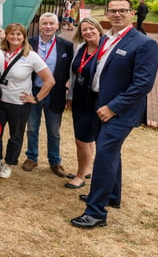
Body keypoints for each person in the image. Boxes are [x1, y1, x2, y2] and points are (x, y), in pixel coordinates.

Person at [71, 0, 158, 229]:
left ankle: (96, 212)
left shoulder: (143, 43)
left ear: (132, 13)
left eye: (122, 10)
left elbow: (142, 84)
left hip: (120, 112)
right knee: (110, 153)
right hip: (99, 106)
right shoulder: (106, 39)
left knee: (104, 157)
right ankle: (111, 196)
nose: (117, 14)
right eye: (112, 11)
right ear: (107, 15)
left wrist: (113, 107)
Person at [0, 23, 55, 179]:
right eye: (12, 34)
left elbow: (49, 80)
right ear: (6, 36)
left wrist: (36, 98)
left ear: (24, 37)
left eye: (19, 34)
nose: (15, 37)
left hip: (19, 103)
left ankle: (9, 164)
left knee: (15, 135)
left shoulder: (31, 56)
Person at [22, 12, 74, 177]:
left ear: (57, 25)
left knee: (54, 131)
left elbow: (70, 71)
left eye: (52, 23)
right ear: (40, 25)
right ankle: (32, 157)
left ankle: (55, 161)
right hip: (33, 92)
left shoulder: (66, 45)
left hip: (55, 93)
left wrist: (68, 94)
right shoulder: (29, 42)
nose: (48, 27)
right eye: (45, 23)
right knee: (31, 127)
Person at [64, 17, 105, 189]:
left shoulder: (106, 49)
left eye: (91, 29)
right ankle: (86, 169)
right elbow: (74, 75)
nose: (88, 32)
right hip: (80, 99)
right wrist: (70, 96)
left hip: (96, 100)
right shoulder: (81, 48)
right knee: (85, 140)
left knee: (82, 140)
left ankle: (80, 176)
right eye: (84, 30)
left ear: (99, 29)